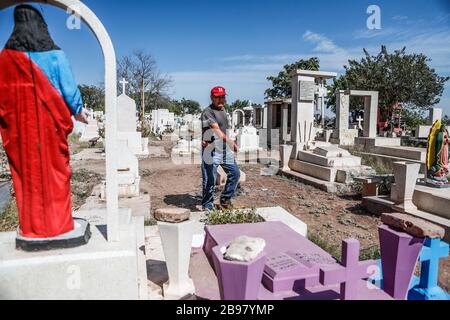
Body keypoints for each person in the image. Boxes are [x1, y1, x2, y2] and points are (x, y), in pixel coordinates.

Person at [0, 5, 88, 239]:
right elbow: (69, 92)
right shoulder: (56, 55)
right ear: (42, 26)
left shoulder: (5, 58)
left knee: (27, 177)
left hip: (19, 134)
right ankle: (59, 224)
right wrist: (78, 111)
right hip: (50, 129)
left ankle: (32, 226)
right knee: (56, 173)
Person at [201, 86, 241, 210]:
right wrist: (231, 143)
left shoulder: (223, 110)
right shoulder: (208, 112)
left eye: (223, 96)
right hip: (211, 150)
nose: (221, 99)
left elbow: (224, 129)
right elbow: (216, 130)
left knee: (235, 173)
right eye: (218, 97)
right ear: (212, 98)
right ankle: (207, 206)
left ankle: (225, 199)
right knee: (210, 180)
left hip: (224, 150)